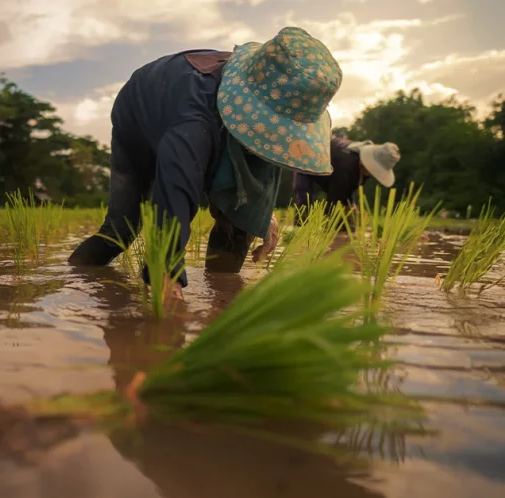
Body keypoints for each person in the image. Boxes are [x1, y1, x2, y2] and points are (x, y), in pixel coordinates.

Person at [67, 27, 343, 300]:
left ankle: (222, 298)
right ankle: (74, 278)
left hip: (199, 114)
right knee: (122, 228)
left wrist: (263, 214)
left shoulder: (278, 95)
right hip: (140, 114)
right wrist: (166, 274)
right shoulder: (193, 119)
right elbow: (175, 194)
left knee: (240, 221)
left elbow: (262, 171)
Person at [292, 136, 401, 219]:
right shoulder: (346, 164)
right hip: (305, 163)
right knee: (304, 207)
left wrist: (352, 205)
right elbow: (334, 199)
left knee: (348, 214)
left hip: (333, 174)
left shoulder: (359, 168)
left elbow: (351, 187)